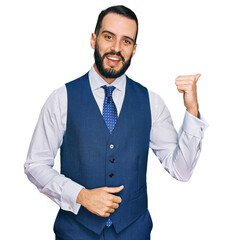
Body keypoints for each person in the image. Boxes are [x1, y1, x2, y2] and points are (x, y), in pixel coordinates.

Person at [24, 5, 208, 240]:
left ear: (134, 49)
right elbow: (35, 165)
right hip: (75, 233)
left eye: (126, 41)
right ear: (93, 39)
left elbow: (182, 170)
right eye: (108, 37)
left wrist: (192, 110)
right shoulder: (61, 99)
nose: (116, 49)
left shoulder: (151, 102)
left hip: (134, 232)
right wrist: (80, 195)